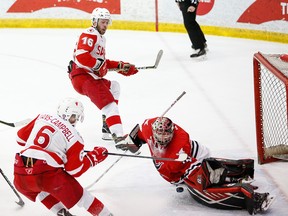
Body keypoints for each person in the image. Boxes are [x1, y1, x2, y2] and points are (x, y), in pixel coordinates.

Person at [116, 117, 275, 215]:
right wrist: (131, 141)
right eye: (160, 134)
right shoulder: (148, 126)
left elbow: (183, 168)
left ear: (172, 132)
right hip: (182, 167)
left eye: (167, 134)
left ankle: (252, 198)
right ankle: (243, 170)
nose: (163, 138)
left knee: (203, 190)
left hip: (192, 161)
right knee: (204, 178)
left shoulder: (180, 145)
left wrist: (183, 180)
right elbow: (139, 135)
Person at [13, 98, 113, 216]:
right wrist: (93, 157)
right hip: (46, 172)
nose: (74, 119)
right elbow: (74, 170)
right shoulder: (75, 137)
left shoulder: (43, 116)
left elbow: (20, 138)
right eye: (74, 117)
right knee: (83, 197)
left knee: (39, 188)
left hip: (21, 172)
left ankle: (61, 212)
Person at [67, 7, 138, 144]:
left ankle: (107, 128)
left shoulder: (100, 37)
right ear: (94, 21)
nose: (105, 25)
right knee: (110, 105)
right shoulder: (90, 33)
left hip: (87, 76)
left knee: (114, 87)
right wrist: (99, 66)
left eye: (107, 22)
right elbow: (81, 56)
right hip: (83, 76)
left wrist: (121, 66)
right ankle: (119, 138)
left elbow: (101, 62)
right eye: (102, 22)